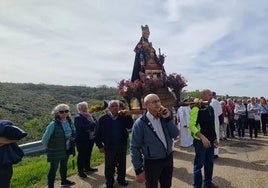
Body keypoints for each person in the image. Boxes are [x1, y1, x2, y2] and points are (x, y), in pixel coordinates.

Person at [130, 93, 179, 188]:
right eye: (154, 102)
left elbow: (175, 134)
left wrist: (168, 119)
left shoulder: (164, 118)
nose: (158, 104)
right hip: (152, 163)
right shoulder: (140, 123)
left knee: (167, 185)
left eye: (158, 101)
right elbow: (134, 147)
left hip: (168, 158)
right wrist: (138, 170)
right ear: (146, 105)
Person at [94, 100, 133, 188]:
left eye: (117, 106)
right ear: (109, 108)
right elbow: (97, 133)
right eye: (113, 106)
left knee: (122, 163)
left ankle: (121, 179)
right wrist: (100, 146)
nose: (115, 107)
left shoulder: (123, 117)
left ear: (119, 107)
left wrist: (128, 115)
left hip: (122, 145)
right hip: (109, 146)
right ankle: (109, 182)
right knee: (109, 165)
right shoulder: (103, 119)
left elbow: (129, 126)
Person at [189, 89, 219, 188]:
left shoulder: (210, 108)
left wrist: (214, 138)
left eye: (212, 94)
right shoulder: (196, 108)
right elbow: (192, 126)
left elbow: (212, 125)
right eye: (209, 94)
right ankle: (197, 186)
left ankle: (208, 183)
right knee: (199, 165)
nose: (211, 96)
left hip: (210, 141)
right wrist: (202, 137)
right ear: (203, 96)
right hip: (200, 142)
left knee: (209, 163)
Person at [42, 104, 76, 188]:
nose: (64, 113)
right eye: (61, 112)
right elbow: (44, 140)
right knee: (53, 169)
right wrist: (50, 149)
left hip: (67, 149)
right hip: (56, 150)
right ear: (57, 113)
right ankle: (51, 186)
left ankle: (64, 181)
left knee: (64, 166)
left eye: (66, 111)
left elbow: (73, 133)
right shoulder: (52, 125)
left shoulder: (70, 122)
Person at [74, 101, 98, 178]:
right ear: (79, 109)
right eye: (83, 107)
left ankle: (87, 168)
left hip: (90, 138)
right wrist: (92, 125)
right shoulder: (78, 117)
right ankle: (80, 171)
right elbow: (82, 128)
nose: (85, 109)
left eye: (86, 107)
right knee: (81, 155)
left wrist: (89, 127)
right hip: (82, 140)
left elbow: (97, 124)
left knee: (88, 154)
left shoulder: (90, 116)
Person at [0, 120, 26, 188]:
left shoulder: (4, 125)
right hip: (5, 164)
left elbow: (18, 135)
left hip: (4, 165)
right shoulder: (5, 125)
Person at [210, 92, 222, 159]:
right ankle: (215, 153)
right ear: (215, 95)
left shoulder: (206, 102)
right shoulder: (216, 102)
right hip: (215, 121)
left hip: (208, 121)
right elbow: (220, 112)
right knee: (215, 136)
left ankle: (210, 152)